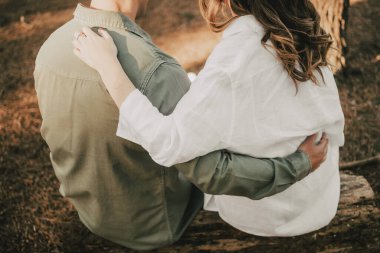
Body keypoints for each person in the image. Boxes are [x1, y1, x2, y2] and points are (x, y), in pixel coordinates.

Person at [35, 0, 327, 250]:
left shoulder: (50, 50)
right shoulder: (156, 71)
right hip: (156, 225)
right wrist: (298, 164)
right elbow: (214, 175)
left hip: (91, 211)